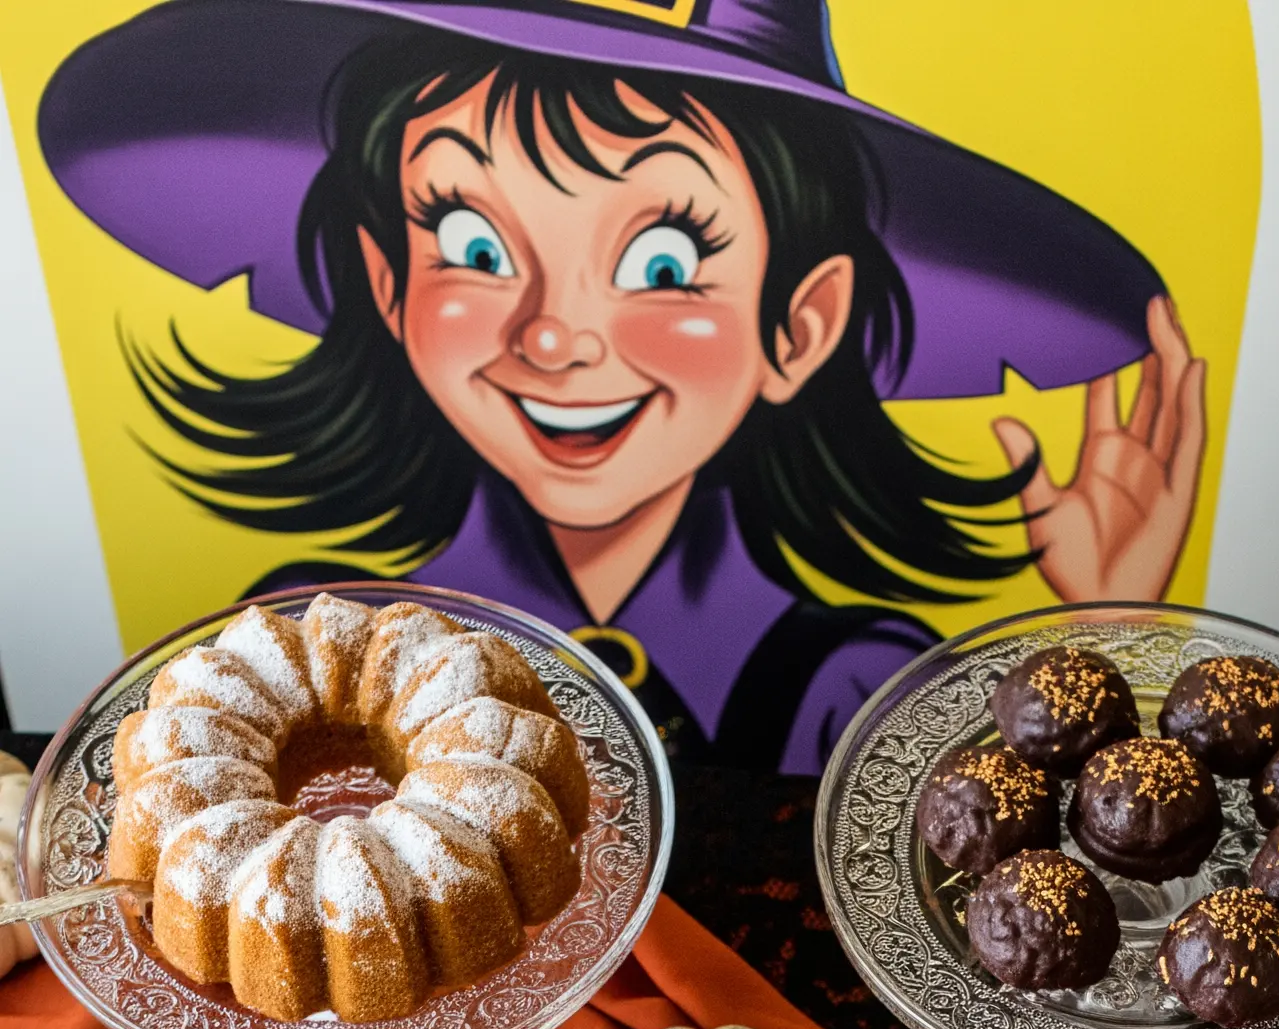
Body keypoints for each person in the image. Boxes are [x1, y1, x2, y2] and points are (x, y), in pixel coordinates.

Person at [40, 0, 1206, 770]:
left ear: (799, 324)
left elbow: (1014, 900)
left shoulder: (855, 689)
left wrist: (1111, 627)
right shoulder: (313, 643)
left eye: (665, 264)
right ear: (387, 284)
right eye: (474, 246)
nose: (554, 336)